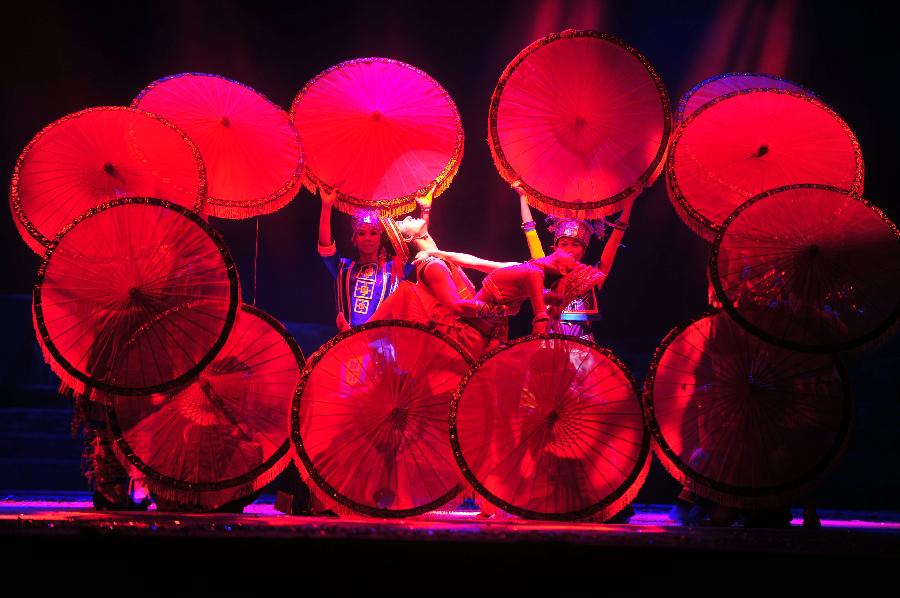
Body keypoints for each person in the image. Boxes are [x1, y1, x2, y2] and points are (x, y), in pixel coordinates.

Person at [513, 181, 635, 340]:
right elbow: (530, 232)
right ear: (555, 248)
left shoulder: (592, 277)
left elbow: (616, 236)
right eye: (563, 244)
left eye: (575, 245)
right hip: (548, 338)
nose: (569, 249)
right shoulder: (544, 270)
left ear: (583, 250)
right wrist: (523, 197)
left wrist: (629, 202)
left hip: (582, 344)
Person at [317, 185, 409, 332]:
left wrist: (425, 211)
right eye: (361, 233)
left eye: (373, 233)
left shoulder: (393, 268)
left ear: (380, 238)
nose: (367, 238)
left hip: (382, 346)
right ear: (354, 239)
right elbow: (325, 246)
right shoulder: (343, 268)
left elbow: (420, 246)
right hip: (347, 343)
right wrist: (326, 206)